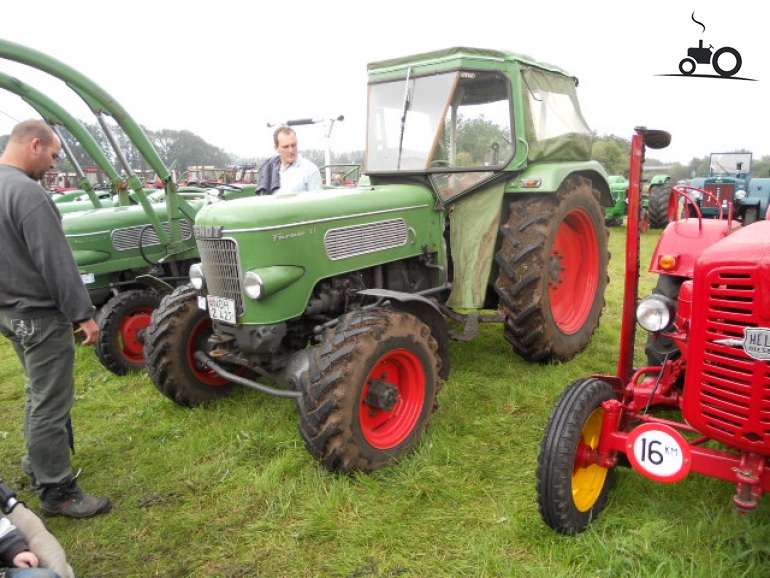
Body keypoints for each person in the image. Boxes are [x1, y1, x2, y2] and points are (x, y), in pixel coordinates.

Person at [0, 120, 111, 519]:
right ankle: (57, 490)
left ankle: (39, 460)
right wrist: (84, 314)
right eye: (53, 155)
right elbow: (56, 261)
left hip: (10, 313)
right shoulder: (27, 193)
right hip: (39, 315)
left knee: (36, 390)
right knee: (51, 401)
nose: (52, 164)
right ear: (34, 144)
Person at [257, 126, 322, 194]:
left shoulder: (310, 170)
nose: (291, 150)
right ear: (276, 148)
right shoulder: (269, 170)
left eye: (293, 145)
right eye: (286, 147)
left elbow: (317, 202)